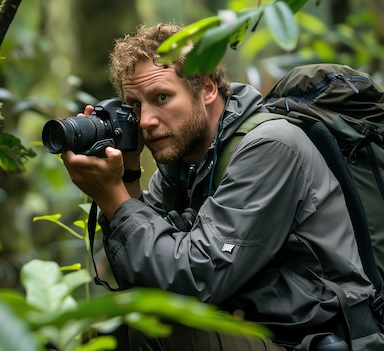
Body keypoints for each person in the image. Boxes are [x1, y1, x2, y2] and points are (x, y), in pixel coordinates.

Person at [60, 23, 384, 350]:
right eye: (135, 105)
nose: (146, 121)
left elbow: (195, 278)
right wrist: (127, 175)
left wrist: (113, 199)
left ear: (208, 88)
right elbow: (142, 275)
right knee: (108, 331)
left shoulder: (271, 146)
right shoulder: (180, 166)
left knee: (156, 332)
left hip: (314, 340)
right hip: (255, 330)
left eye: (162, 97)